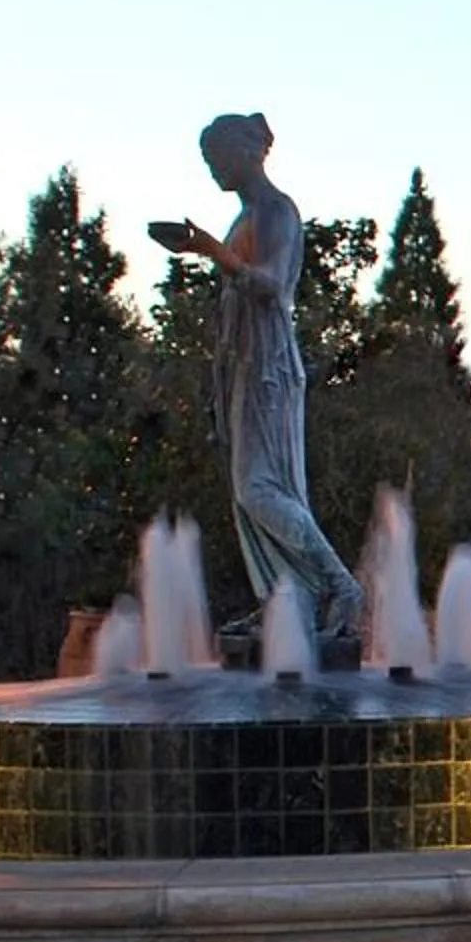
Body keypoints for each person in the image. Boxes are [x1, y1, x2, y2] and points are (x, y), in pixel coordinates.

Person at [161, 113, 365, 644]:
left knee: (261, 489)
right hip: (244, 367)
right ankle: (285, 602)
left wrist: (211, 252)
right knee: (246, 492)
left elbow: (272, 284)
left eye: (216, 158)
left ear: (247, 152)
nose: (212, 170)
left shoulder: (277, 210)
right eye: (206, 162)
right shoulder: (247, 215)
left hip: (270, 365)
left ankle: (341, 586)